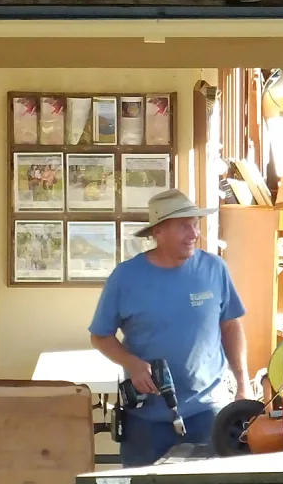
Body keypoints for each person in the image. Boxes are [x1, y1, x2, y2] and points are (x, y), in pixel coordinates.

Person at [89, 188, 251, 467]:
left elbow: (230, 326)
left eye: (195, 225)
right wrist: (132, 363)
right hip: (145, 419)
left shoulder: (214, 269)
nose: (194, 234)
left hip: (208, 411)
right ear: (158, 232)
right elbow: (100, 335)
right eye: (184, 226)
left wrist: (243, 384)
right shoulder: (125, 277)